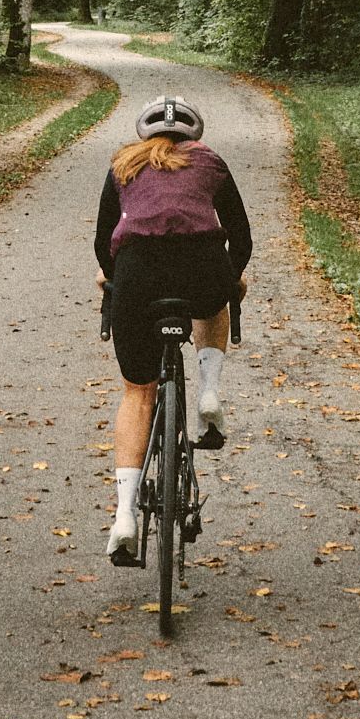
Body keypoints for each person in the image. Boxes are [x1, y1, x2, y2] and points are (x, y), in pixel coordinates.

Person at [93, 95, 252, 564]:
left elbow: (103, 240)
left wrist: (112, 276)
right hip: (203, 269)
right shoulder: (210, 161)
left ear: (144, 132)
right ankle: (209, 393)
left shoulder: (123, 163)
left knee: (137, 393)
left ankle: (124, 516)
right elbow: (241, 236)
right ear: (194, 132)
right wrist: (233, 278)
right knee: (216, 300)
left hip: (138, 274)